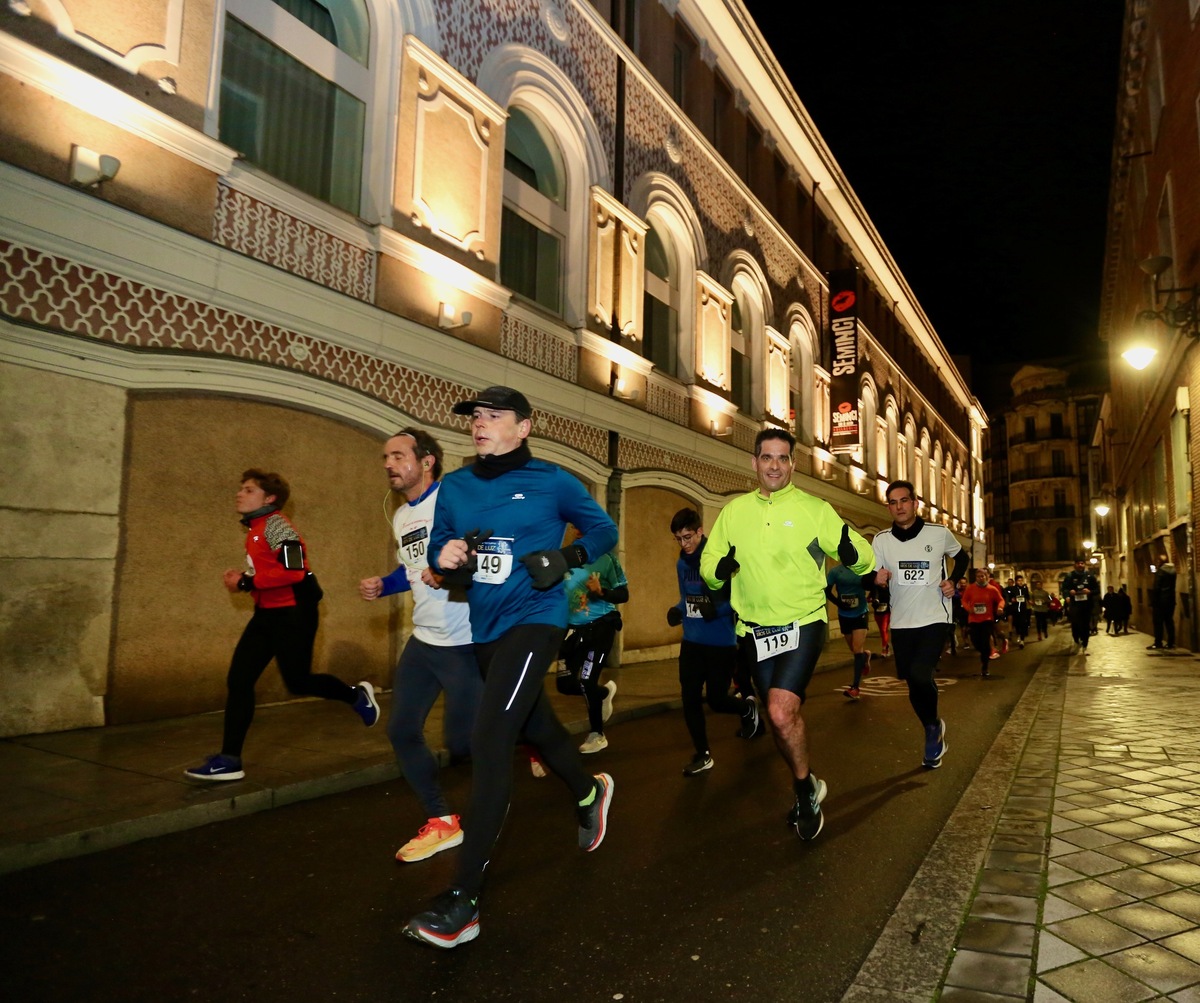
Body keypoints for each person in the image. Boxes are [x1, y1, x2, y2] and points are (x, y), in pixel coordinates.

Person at [403, 387, 617, 949]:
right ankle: (589, 793)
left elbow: (604, 531)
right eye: (476, 417)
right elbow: (443, 552)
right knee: (536, 726)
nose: (480, 424)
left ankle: (463, 900)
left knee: (491, 734)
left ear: (523, 427)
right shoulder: (456, 487)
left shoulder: (553, 480)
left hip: (536, 619)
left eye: (493, 416)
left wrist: (566, 558)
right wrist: (444, 559)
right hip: (485, 627)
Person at [700, 428, 874, 841]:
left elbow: (863, 559)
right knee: (780, 722)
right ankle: (806, 783)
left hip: (803, 621)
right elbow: (708, 565)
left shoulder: (815, 509)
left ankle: (803, 793)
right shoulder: (734, 512)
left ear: (793, 464)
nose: (774, 466)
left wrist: (854, 553)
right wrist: (719, 570)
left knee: (778, 710)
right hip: (754, 630)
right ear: (754, 462)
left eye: (782, 458)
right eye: (766, 458)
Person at [186, 470, 379, 781]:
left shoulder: (277, 525)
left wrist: (246, 582)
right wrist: (249, 584)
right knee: (239, 681)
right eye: (241, 489)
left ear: (269, 498)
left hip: (294, 615)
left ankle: (355, 696)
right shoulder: (255, 528)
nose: (240, 494)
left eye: (249, 490)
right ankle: (229, 760)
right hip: (266, 615)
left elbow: (295, 572)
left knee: (299, 681)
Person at [358, 429, 483, 863]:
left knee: (463, 742)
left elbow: (484, 546)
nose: (389, 463)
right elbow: (411, 569)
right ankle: (441, 821)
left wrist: (450, 570)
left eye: (398, 455)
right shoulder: (400, 516)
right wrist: (384, 584)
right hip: (424, 641)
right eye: (385, 457)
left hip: (465, 642)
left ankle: (529, 737)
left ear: (426, 461)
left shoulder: (451, 499)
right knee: (401, 730)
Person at [872, 480, 968, 767]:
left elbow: (960, 557)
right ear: (888, 507)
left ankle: (930, 732)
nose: (899, 506)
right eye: (893, 502)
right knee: (912, 681)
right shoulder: (881, 540)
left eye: (904, 500)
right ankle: (933, 725)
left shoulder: (938, 534)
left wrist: (953, 581)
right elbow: (876, 580)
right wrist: (876, 580)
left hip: (934, 616)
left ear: (915, 503)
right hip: (901, 621)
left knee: (919, 672)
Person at [667, 507, 761, 777]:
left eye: (688, 537)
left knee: (717, 701)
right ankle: (703, 754)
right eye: (678, 539)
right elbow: (686, 598)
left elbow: (739, 598)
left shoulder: (718, 558)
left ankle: (747, 706)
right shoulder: (682, 563)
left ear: (700, 531)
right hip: (691, 642)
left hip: (720, 643)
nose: (684, 544)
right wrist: (677, 610)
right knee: (689, 699)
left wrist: (717, 609)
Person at [558, 530, 625, 753]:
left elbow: (623, 595)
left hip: (601, 627)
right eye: (577, 527)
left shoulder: (607, 560)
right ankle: (603, 693)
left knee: (587, 680)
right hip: (573, 630)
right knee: (564, 684)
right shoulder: (564, 558)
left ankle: (598, 735)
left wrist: (601, 591)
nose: (580, 532)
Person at [826, 562, 872, 700]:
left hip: (861, 613)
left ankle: (855, 688)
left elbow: (873, 584)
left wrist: (872, 597)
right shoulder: (835, 572)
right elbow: (827, 591)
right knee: (854, 649)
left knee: (857, 650)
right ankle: (866, 655)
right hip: (844, 615)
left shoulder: (862, 569)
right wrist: (838, 603)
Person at [960, 567, 1005, 678]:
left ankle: (985, 667)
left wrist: (1000, 608)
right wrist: (968, 608)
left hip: (987, 620)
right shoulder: (970, 588)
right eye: (978, 576)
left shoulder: (992, 589)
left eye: (983, 576)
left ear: (987, 577)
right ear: (976, 578)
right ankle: (986, 651)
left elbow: (1001, 600)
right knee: (975, 641)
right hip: (974, 620)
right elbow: (964, 600)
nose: (981, 578)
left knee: (985, 642)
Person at [1062, 558, 1100, 654]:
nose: (1080, 565)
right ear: (1075, 565)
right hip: (1075, 605)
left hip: (1086, 605)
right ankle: (1076, 640)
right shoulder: (1070, 576)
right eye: (1078, 563)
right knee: (1075, 624)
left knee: (1086, 626)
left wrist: (1090, 591)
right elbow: (1065, 589)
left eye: (1082, 563)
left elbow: (1097, 590)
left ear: (1084, 565)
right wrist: (1068, 594)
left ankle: (1085, 645)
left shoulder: (1090, 576)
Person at [1148, 552, 1178, 649]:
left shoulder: (1160, 572)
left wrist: (1153, 601)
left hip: (1160, 601)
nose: (1157, 563)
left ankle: (1158, 642)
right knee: (1169, 621)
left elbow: (1157, 587)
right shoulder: (1173, 571)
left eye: (1158, 561)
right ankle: (1171, 643)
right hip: (1170, 601)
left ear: (1161, 562)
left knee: (1158, 623)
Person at [1008, 574, 1031, 648]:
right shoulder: (1013, 589)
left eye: (1021, 580)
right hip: (1015, 609)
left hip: (1023, 609)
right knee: (1017, 624)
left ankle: (1022, 640)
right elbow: (1010, 598)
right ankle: (1018, 634)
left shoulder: (1025, 588)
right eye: (1019, 581)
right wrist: (1012, 600)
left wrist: (1029, 601)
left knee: (1023, 623)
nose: (1020, 582)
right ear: (1016, 581)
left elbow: (1027, 596)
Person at [872, 583, 892, 658]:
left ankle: (884, 649)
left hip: (886, 612)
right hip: (877, 612)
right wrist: (874, 600)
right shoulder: (875, 587)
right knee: (882, 631)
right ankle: (886, 644)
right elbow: (872, 596)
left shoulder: (890, 588)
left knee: (884, 629)